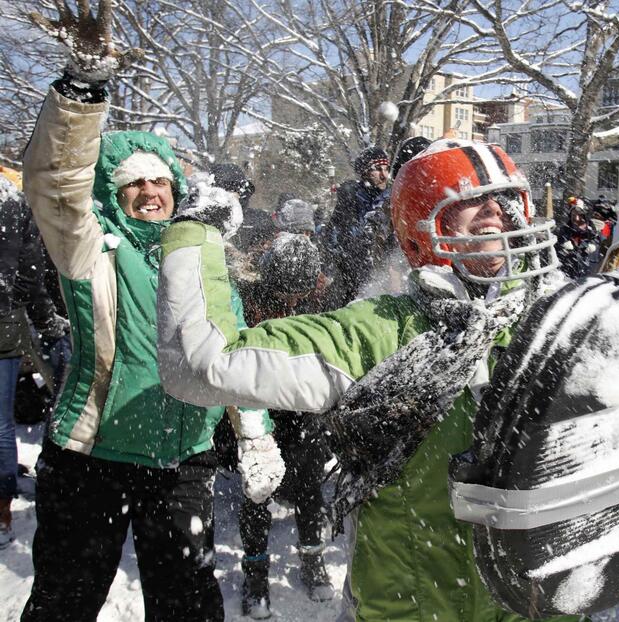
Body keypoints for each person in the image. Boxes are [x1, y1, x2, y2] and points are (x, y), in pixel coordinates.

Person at [155, 139, 586, 622]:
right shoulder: (381, 330)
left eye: (504, 200)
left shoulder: (562, 319)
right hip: (411, 606)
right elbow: (203, 364)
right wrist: (194, 232)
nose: (495, 209)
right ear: (425, 227)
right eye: (470, 198)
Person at [19, 8, 282, 620]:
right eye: (135, 183)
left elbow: (233, 348)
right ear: (115, 190)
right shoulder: (88, 245)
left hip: (181, 461)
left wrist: (257, 436)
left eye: (160, 182)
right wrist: (83, 90)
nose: (150, 192)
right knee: (65, 603)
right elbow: (55, 179)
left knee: (189, 606)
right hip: (91, 459)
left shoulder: (199, 251)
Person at [235, 233, 335, 618]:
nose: (293, 301)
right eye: (285, 294)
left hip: (304, 403)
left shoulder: (324, 291)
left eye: (300, 293)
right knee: (257, 488)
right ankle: (255, 573)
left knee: (310, 486)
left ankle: (313, 559)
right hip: (258, 400)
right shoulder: (249, 294)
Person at [0, 176, 69, 548]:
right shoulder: (14, 203)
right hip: (15, 322)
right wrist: (46, 319)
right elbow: (29, 272)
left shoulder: (19, 203)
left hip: (20, 321)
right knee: (2, 423)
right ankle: (5, 508)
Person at [323, 146, 392, 308]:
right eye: (377, 169)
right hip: (351, 276)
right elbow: (333, 235)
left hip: (385, 274)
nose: (384, 175)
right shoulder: (351, 197)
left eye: (386, 169)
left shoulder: (392, 196)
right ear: (365, 172)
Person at [556, 197, 601, 278]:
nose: (576, 218)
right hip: (569, 269)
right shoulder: (565, 228)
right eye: (573, 214)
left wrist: (593, 245)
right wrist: (564, 244)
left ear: (583, 214)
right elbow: (559, 244)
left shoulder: (590, 226)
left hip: (588, 267)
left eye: (579, 214)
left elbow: (596, 239)